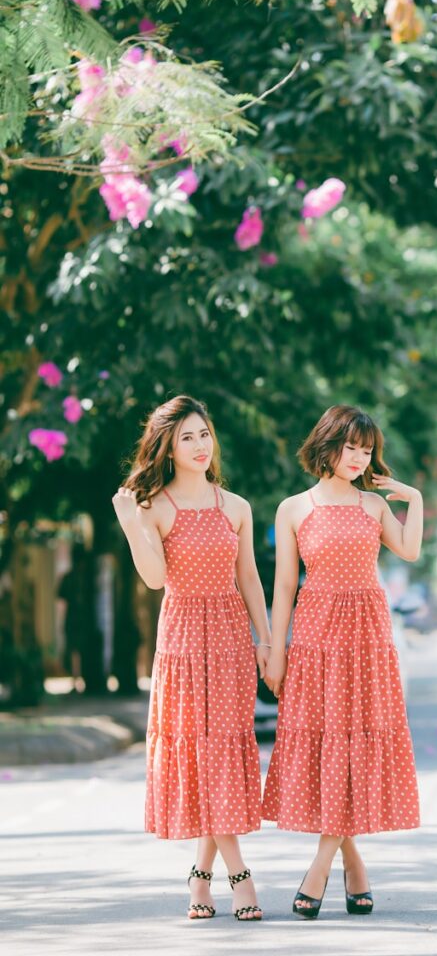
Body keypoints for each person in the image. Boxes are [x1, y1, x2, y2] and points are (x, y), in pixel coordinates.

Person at [112, 395, 271, 922]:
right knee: (199, 754)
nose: (200, 445)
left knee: (219, 752)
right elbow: (156, 579)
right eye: (187, 438)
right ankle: (238, 875)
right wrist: (131, 523)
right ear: (168, 447)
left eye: (204, 434)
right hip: (181, 640)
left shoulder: (237, 507)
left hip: (228, 636)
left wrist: (266, 643)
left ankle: (201, 876)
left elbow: (249, 578)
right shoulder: (153, 506)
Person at [262, 404, 421, 919]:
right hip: (314, 637)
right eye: (350, 447)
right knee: (328, 745)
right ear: (327, 445)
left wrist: (413, 499)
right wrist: (275, 650)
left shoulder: (373, 506)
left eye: (367, 449)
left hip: (368, 638)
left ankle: (321, 863)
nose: (359, 457)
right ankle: (354, 865)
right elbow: (285, 585)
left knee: (356, 743)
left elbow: (410, 550)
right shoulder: (294, 507)